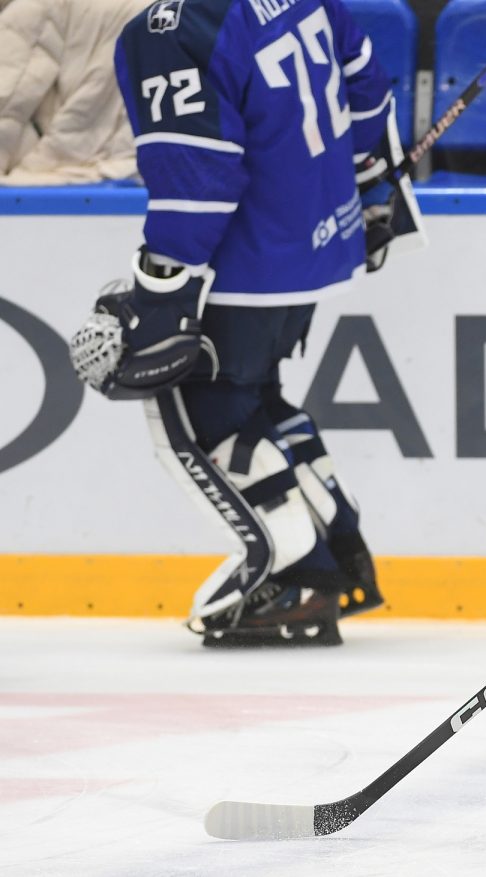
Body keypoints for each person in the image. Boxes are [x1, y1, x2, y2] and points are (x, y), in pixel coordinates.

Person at [68, 0, 425, 647]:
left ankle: (297, 574)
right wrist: (371, 186)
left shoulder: (172, 29)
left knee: (206, 415)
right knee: (255, 395)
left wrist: (161, 290)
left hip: (246, 260)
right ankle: (339, 541)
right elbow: (368, 86)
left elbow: (198, 176)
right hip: (319, 245)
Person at [0, 0, 147, 185]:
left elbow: (11, 95)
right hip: (143, 166)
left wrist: (35, 165)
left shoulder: (34, 8)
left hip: (58, 169)